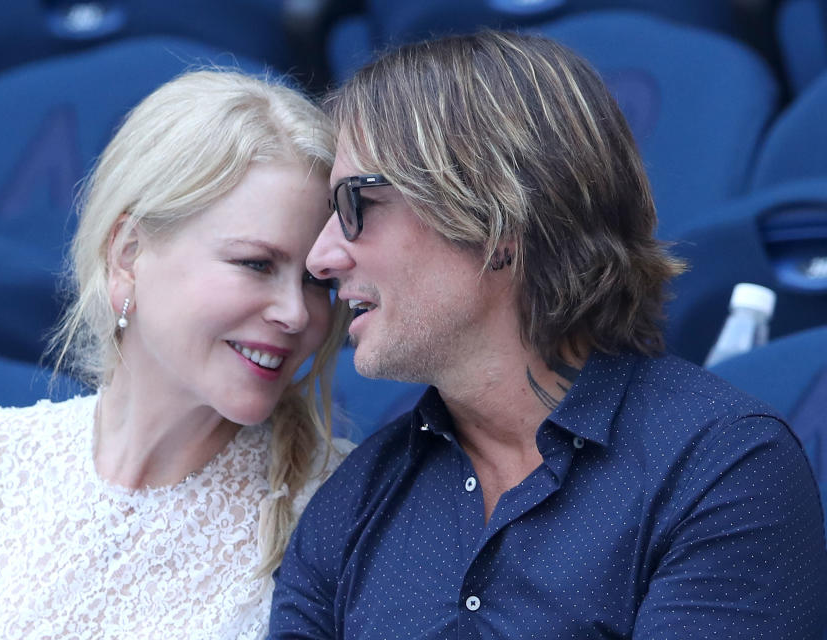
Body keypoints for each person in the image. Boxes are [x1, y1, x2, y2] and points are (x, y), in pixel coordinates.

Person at [269, 30, 827, 638]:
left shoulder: (721, 468)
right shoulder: (352, 502)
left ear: (498, 216)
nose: (321, 257)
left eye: (357, 203)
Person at [0, 69, 351, 639]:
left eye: (317, 281)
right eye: (256, 264)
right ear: (129, 254)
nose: (297, 313)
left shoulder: (345, 507)